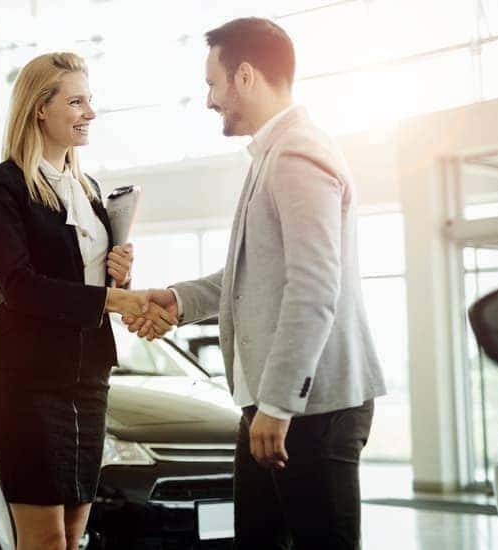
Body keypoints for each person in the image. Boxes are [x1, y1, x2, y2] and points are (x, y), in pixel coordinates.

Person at [125, 18, 387, 549]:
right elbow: (254, 276)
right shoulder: (272, 153)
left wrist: (278, 404)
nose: (209, 101)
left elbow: (313, 286)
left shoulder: (296, 154)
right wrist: (178, 301)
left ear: (244, 77)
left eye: (212, 84)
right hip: (277, 405)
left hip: (310, 410)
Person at [0, 52, 174, 550]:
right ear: (40, 108)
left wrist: (120, 276)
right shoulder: (5, 184)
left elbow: (94, 284)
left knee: (72, 535)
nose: (90, 113)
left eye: (91, 101)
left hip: (89, 378)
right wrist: (110, 299)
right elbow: (17, 285)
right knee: (44, 540)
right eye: (76, 101)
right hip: (28, 381)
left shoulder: (88, 189)